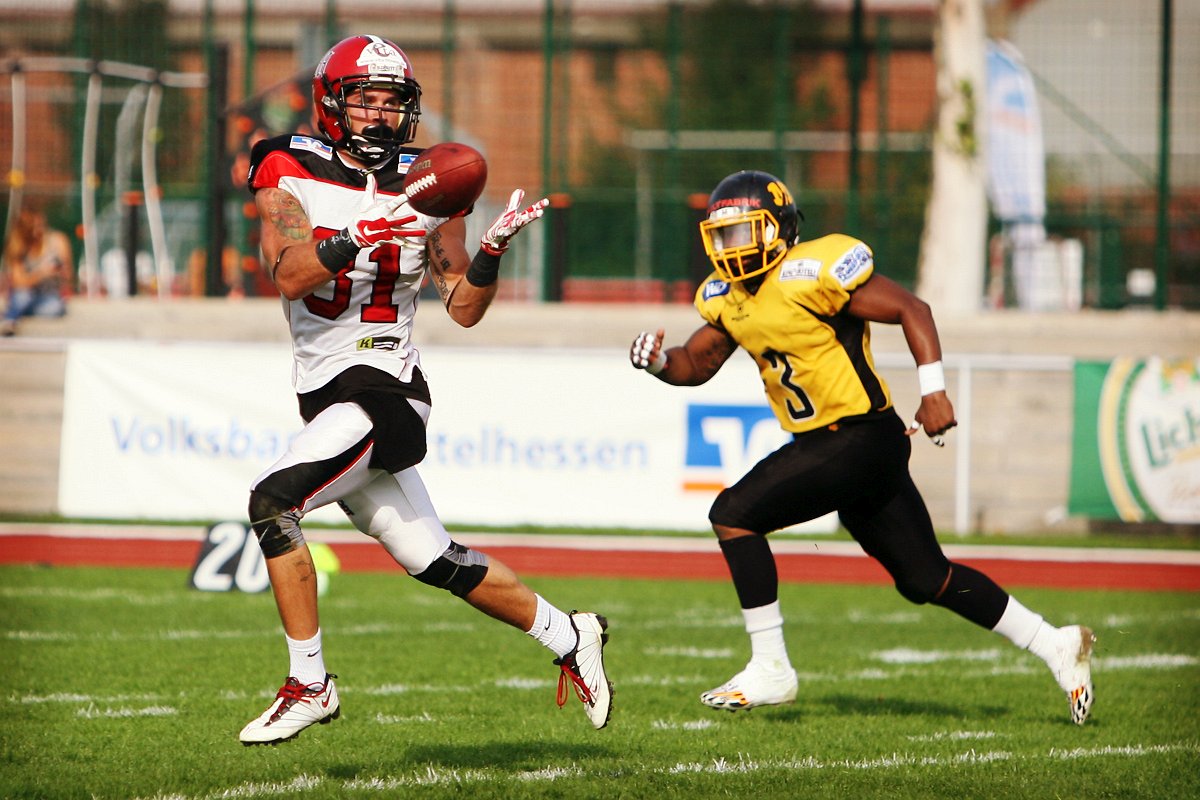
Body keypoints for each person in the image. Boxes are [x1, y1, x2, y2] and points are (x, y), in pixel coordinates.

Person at [238, 34, 612, 745]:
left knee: (273, 501)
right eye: (365, 100)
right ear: (332, 103)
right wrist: (359, 234)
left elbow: (463, 306)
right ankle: (569, 633)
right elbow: (288, 274)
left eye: (392, 102)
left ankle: (309, 684)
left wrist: (492, 254)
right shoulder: (288, 163)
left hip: (386, 390)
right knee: (433, 559)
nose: (379, 115)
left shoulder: (431, 180)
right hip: (326, 391)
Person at [629, 170, 1094, 725]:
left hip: (858, 437)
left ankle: (771, 666)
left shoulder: (812, 271)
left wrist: (933, 391)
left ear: (776, 229)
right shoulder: (729, 297)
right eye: (722, 236)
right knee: (926, 579)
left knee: (733, 513)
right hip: (844, 447)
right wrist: (659, 362)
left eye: (741, 233)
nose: (730, 249)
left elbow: (912, 309)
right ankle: (1056, 643)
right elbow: (696, 362)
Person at [2, 208, 70, 336]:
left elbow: (67, 276)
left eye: (40, 225)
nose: (38, 231)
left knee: (55, 308)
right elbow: (19, 283)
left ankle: (16, 311)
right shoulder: (19, 247)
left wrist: (59, 271)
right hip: (25, 293)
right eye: (32, 228)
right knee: (22, 296)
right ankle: (10, 320)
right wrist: (42, 273)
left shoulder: (57, 240)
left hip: (48, 295)